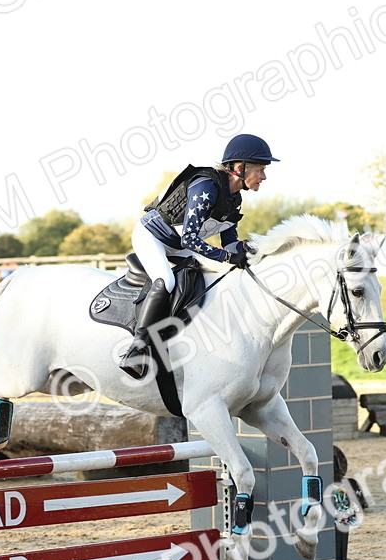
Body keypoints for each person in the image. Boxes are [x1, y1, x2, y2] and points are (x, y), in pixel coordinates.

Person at [118, 133, 278, 377]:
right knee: (167, 281)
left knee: (203, 282)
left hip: (179, 243)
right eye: (261, 169)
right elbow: (190, 239)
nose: (264, 176)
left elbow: (230, 242)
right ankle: (136, 349)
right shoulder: (206, 187)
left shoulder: (234, 198)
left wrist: (247, 253)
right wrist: (225, 257)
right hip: (152, 236)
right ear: (239, 167)